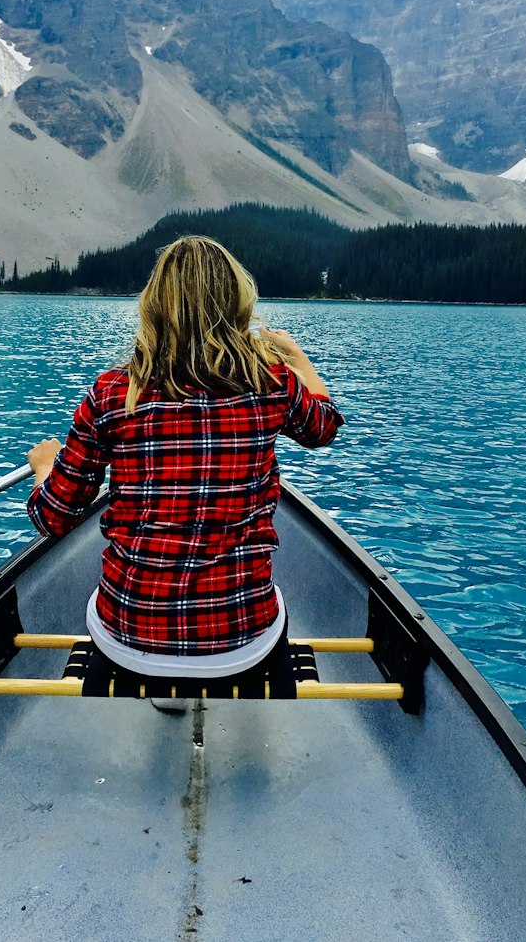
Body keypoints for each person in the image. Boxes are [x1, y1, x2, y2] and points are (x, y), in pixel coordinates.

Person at [26, 235, 344, 680]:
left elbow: (53, 517)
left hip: (128, 633)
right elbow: (324, 425)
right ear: (237, 303)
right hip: (243, 637)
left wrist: (45, 468)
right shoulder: (272, 383)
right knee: (268, 619)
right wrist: (299, 360)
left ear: (154, 306)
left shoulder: (113, 393)